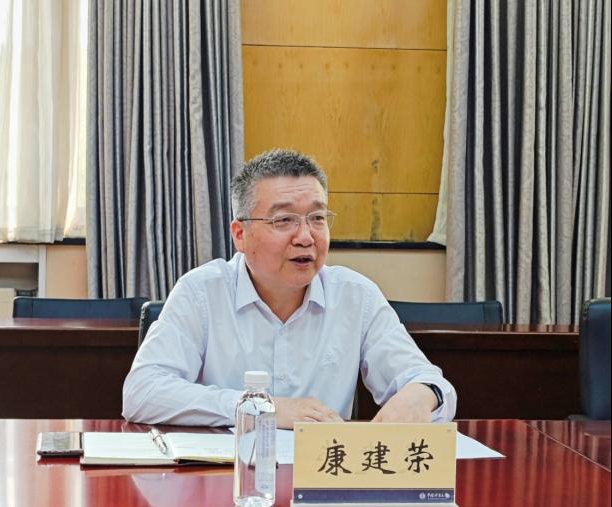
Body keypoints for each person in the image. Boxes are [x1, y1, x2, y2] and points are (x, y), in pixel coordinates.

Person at [123, 149, 456, 428]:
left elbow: (429, 382)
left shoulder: (356, 296)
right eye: (284, 220)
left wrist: (421, 394)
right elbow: (142, 392)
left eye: (317, 218)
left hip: (322, 475)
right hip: (227, 474)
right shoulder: (201, 292)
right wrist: (260, 408)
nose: (306, 237)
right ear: (240, 235)